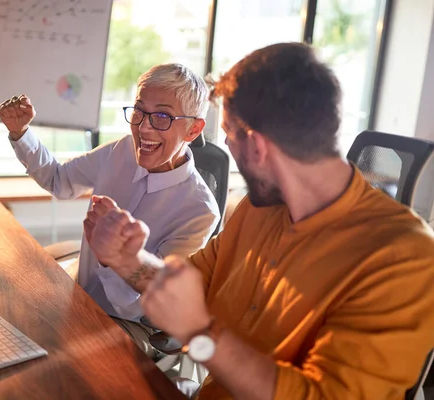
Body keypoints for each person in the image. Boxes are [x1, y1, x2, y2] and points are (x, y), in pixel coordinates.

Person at [85, 42, 434, 399]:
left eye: (229, 136)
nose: (227, 149)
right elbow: (189, 283)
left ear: (257, 146)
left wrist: (199, 334)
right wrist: (127, 258)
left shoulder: (404, 257)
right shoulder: (257, 210)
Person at [0, 63, 220, 358]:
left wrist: (115, 255)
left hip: (133, 325)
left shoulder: (200, 211)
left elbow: (152, 305)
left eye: (163, 116)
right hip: (79, 296)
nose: (143, 127)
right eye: (139, 111)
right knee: (8, 316)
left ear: (193, 129)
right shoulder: (121, 152)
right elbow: (60, 181)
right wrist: (20, 133)